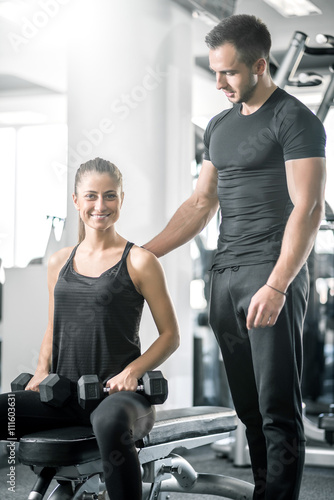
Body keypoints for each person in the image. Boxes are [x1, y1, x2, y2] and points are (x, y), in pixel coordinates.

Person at [143, 14, 326, 500]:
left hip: (270, 272)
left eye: (229, 73)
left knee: (277, 410)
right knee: (248, 409)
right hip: (224, 275)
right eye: (215, 71)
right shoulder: (220, 126)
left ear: (260, 65)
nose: (219, 82)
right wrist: (143, 253)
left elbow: (308, 209)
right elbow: (201, 204)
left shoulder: (294, 119)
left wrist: (279, 283)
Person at [0, 158, 180, 500]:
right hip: (64, 394)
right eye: (91, 196)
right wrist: (41, 370)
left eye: (110, 196)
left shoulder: (140, 261)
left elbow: (171, 335)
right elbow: (53, 325)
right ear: (76, 201)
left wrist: (133, 371)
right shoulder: (60, 261)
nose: (101, 206)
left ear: (122, 200)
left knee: (109, 423)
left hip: (120, 398)